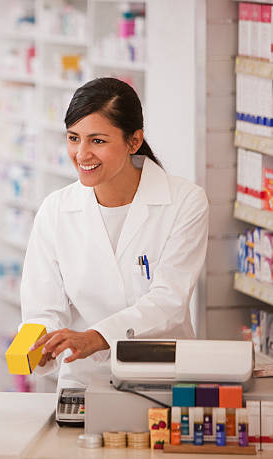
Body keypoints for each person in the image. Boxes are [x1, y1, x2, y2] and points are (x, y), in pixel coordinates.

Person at [20, 77, 209, 389]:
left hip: (161, 377)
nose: (81, 154)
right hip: (84, 380)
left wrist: (98, 337)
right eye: (73, 138)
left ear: (133, 141)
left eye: (97, 141)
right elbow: (42, 307)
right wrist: (40, 342)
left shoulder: (184, 201)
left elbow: (169, 300)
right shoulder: (56, 209)